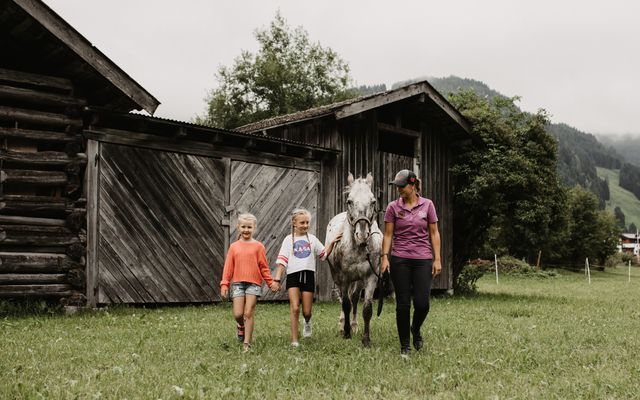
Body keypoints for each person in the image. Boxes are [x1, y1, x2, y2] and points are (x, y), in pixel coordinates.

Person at [381, 169, 442, 357]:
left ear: (413, 185)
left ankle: (415, 329)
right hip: (400, 259)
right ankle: (405, 345)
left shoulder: (428, 205)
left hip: (423, 259)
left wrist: (437, 258)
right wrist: (385, 256)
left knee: (423, 304)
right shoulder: (393, 207)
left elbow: (434, 233)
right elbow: (388, 234)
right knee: (403, 304)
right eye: (397, 187)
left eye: (402, 186)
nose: (399, 190)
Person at [274, 208, 342, 347]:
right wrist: (277, 279)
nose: (305, 225)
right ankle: (294, 340)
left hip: (308, 276)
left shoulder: (312, 239)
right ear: (294, 223)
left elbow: (323, 255)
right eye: (302, 223)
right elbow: (282, 261)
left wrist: (332, 242)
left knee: (306, 311)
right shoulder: (288, 240)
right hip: (293, 276)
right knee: (294, 308)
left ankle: (307, 322)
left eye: (307, 222)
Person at [220, 213, 280, 353]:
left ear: (254, 228)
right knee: (238, 314)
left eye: (249, 227)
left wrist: (270, 283)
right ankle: (241, 326)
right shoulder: (234, 247)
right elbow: (228, 267)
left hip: (254, 284)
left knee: (248, 313)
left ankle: (247, 343)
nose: (246, 230)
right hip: (238, 284)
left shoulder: (259, 247)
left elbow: (264, 267)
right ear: (238, 227)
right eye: (243, 227)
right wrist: (224, 284)